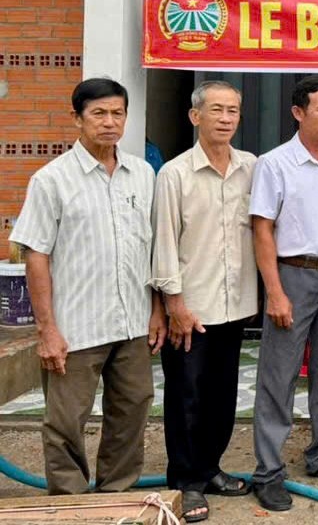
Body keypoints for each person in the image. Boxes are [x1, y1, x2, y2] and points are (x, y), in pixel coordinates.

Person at [10, 78, 165, 494]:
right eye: (98, 114)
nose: (109, 122)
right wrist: (47, 329)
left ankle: (116, 493)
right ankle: (69, 501)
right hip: (76, 327)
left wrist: (157, 310)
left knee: (132, 410)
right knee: (65, 420)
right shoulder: (52, 180)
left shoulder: (142, 175)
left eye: (117, 113)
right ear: (77, 118)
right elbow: (36, 255)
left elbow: (152, 248)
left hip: (133, 322)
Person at [249, 75, 318, 512]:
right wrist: (274, 292)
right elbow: (262, 229)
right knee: (278, 376)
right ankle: (268, 470)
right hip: (292, 275)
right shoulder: (275, 163)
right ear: (298, 112)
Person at [151, 81, 257, 522]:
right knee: (186, 396)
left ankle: (210, 469)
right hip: (191, 308)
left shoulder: (250, 167)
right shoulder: (174, 174)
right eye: (217, 110)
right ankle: (185, 481)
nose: (226, 118)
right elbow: (163, 243)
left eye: (233, 110)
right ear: (195, 117)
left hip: (235, 305)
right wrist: (173, 305)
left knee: (222, 395)